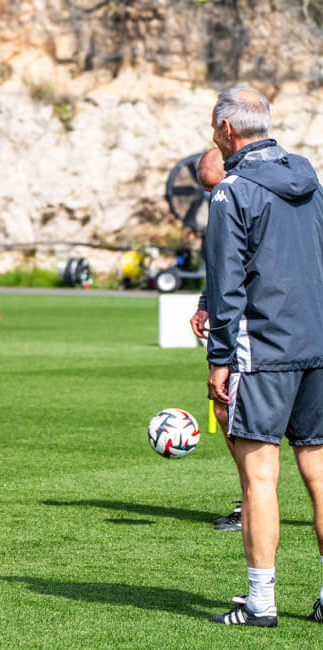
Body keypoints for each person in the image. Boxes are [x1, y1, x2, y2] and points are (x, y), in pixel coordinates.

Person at [201, 87, 323, 627]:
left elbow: (226, 282)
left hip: (264, 349)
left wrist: (219, 358)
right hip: (317, 344)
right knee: (319, 474)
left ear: (226, 129)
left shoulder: (231, 192)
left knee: (259, 479)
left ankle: (261, 603)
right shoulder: (310, 179)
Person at [186, 147, 243, 531]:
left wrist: (218, 357)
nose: (213, 195)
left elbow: (235, 268)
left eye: (214, 186)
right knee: (226, 410)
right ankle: (251, 497)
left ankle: (252, 501)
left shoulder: (243, 196)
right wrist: (207, 302)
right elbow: (222, 263)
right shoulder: (225, 199)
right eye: (207, 190)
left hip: (258, 327)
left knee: (227, 406)